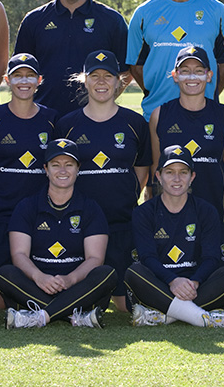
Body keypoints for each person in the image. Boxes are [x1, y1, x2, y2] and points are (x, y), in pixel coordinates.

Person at [56, 50, 151, 312]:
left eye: (107, 76)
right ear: (84, 80)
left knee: (123, 305)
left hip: (121, 222)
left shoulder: (134, 123)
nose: (101, 82)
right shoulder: (67, 124)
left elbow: (142, 170)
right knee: (79, 297)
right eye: (94, 76)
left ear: (119, 81)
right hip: (78, 224)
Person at [0, 139, 118, 329]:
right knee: (4, 274)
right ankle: (75, 316)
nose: (62, 171)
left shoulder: (90, 207)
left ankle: (39, 316)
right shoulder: (27, 206)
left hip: (78, 287)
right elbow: (19, 254)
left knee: (107, 274)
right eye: (55, 165)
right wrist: (39, 277)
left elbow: (95, 258)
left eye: (69, 165)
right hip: (36, 287)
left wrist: (71, 279)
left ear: (78, 169)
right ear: (46, 169)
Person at [125, 145, 224, 328]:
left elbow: (211, 257)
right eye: (169, 172)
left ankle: (165, 316)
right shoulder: (144, 212)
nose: (176, 179)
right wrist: (172, 280)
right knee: (133, 273)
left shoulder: (206, 211)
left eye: (183, 172)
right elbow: (147, 257)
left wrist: (195, 282)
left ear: (192, 177)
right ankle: (203, 317)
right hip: (160, 283)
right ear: (158, 176)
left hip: (195, 287)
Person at [0, 53, 58, 308]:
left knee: (36, 287)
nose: (24, 81)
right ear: (7, 80)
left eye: (30, 76)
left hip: (39, 215)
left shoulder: (52, 119)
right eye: (17, 76)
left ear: (39, 80)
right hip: (0, 213)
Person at [149, 46, 224, 264]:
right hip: (171, 217)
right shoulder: (160, 115)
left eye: (199, 70)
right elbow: (155, 168)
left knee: (220, 280)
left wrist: (215, 196)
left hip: (213, 212)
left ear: (209, 76)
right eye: (185, 70)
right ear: (175, 76)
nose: (192, 77)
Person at [13, 0, 130, 116]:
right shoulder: (35, 20)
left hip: (93, 119)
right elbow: (20, 71)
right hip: (43, 117)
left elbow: (125, 71)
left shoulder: (111, 20)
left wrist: (100, 103)